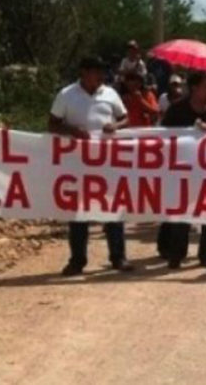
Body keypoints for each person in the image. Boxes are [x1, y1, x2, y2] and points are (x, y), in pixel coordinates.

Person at [48, 56, 133, 276]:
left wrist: (115, 125)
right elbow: (52, 124)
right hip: (77, 164)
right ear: (83, 72)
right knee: (78, 214)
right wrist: (73, 131)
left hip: (107, 163)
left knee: (113, 211)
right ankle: (77, 260)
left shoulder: (110, 93)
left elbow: (125, 119)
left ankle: (118, 257)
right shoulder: (66, 94)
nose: (100, 76)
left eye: (101, 72)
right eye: (96, 71)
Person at [159, 72, 206, 269]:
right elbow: (164, 135)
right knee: (181, 213)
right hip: (183, 170)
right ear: (194, 88)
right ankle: (177, 254)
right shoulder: (177, 109)